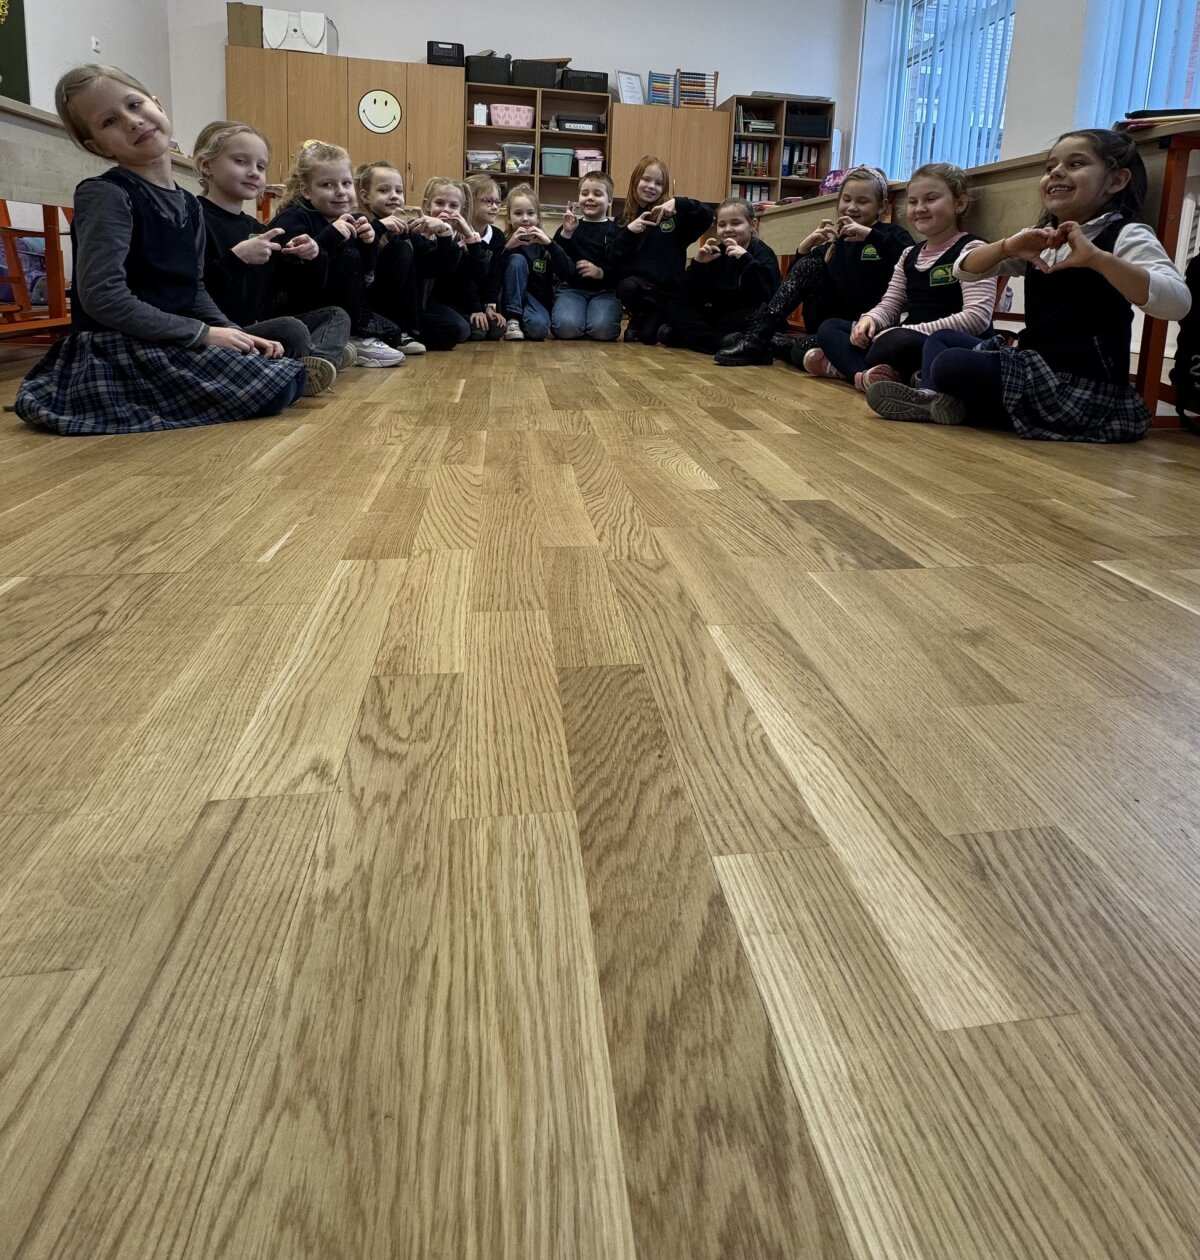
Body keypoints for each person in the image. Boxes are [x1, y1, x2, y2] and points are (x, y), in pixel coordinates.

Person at [15, 64, 306, 435]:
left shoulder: (190, 205)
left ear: (158, 105)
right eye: (109, 121)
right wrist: (204, 334)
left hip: (172, 340)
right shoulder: (106, 194)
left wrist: (232, 333)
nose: (132, 121)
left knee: (284, 359)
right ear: (97, 146)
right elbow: (103, 297)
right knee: (280, 388)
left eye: (135, 105)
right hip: (118, 348)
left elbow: (193, 289)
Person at [865, 129, 1191, 442]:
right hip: (1033, 365)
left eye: (1075, 164)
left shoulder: (1125, 234)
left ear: (1116, 181)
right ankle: (940, 398)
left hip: (1080, 385)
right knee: (942, 340)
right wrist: (1007, 247)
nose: (1057, 173)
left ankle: (947, 398)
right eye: (1050, 167)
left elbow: (1178, 302)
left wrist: (1098, 260)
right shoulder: (1045, 238)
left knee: (952, 364)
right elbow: (964, 270)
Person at [194, 119, 349, 392]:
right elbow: (192, 291)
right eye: (241, 161)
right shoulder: (194, 218)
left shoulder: (257, 228)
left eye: (261, 166)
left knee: (335, 315)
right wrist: (237, 259)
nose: (254, 172)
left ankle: (314, 361)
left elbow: (294, 294)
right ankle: (313, 361)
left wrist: (312, 256)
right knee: (291, 330)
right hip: (217, 333)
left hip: (252, 327)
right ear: (207, 166)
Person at [812, 163, 995, 390]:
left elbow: (977, 318)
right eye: (913, 201)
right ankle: (866, 376)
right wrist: (870, 320)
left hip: (946, 343)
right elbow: (890, 304)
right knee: (831, 328)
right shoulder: (909, 254)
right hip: (906, 340)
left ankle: (850, 367)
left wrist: (907, 331)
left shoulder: (973, 249)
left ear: (960, 203)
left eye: (931, 199)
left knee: (893, 341)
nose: (920, 208)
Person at [715, 166, 912, 367]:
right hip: (827, 326)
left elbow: (909, 259)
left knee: (803, 348)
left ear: (881, 206)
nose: (852, 207)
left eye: (862, 202)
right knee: (809, 265)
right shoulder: (835, 242)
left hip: (864, 327)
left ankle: (764, 342)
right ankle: (756, 338)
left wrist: (871, 235)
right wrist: (805, 248)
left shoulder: (891, 235)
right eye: (846, 200)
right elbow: (793, 284)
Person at [266, 141, 405, 367]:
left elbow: (365, 276)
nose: (340, 191)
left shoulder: (346, 218)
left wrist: (369, 242)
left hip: (332, 305)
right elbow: (294, 278)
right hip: (294, 307)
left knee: (392, 333)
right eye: (327, 185)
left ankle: (347, 339)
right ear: (306, 190)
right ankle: (353, 336)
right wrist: (330, 236)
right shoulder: (292, 220)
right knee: (346, 252)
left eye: (346, 183)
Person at [608, 155, 713, 344]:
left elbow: (707, 215)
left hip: (668, 291)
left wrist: (679, 202)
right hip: (638, 289)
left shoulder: (675, 218)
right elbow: (612, 258)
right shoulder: (622, 220)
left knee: (648, 338)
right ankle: (638, 315)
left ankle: (654, 317)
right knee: (626, 288)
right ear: (635, 181)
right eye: (646, 179)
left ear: (664, 188)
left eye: (658, 183)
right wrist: (629, 232)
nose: (651, 186)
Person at [659, 198, 780, 353]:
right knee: (673, 306)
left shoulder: (762, 253)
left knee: (758, 315)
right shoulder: (716, 252)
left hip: (743, 314)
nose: (728, 229)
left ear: (752, 225)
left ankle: (690, 337)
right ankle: (721, 341)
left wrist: (746, 260)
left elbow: (765, 297)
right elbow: (685, 294)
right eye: (722, 225)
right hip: (717, 316)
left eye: (736, 223)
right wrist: (698, 264)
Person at [353, 160, 427, 354]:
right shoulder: (360, 222)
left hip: (400, 306)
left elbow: (433, 267)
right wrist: (379, 228)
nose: (394, 195)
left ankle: (406, 330)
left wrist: (444, 235)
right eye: (384, 190)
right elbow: (362, 269)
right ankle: (398, 331)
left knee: (450, 332)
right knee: (400, 249)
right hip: (367, 305)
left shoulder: (404, 227)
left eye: (399, 191)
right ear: (365, 196)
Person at [550, 172, 622, 342]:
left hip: (605, 292)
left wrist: (601, 273)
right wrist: (566, 234)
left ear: (610, 200)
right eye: (584, 193)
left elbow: (622, 266)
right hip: (572, 289)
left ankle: (589, 321)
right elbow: (556, 261)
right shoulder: (570, 226)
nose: (590, 198)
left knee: (603, 331)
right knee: (566, 329)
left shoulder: (616, 230)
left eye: (597, 194)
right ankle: (581, 321)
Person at [416, 176, 485, 351]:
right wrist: (441, 235)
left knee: (484, 328)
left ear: (462, 210)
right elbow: (433, 270)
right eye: (439, 203)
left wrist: (469, 236)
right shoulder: (419, 234)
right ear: (427, 205)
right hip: (424, 302)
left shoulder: (461, 238)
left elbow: (477, 274)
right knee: (461, 331)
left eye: (453, 206)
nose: (446, 210)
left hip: (452, 302)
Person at [498, 184, 572, 341]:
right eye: (518, 213)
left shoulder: (545, 245)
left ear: (538, 217)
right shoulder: (502, 241)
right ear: (509, 218)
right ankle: (513, 319)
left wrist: (550, 245)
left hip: (535, 300)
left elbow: (567, 272)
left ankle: (521, 321)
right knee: (517, 260)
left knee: (538, 330)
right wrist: (507, 249)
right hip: (508, 300)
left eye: (530, 213)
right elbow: (492, 274)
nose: (525, 218)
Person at [463, 172, 508, 340]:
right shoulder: (460, 234)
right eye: (488, 201)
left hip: (482, 300)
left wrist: (490, 306)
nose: (495, 207)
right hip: (460, 299)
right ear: (468, 203)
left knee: (497, 329)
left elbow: (495, 274)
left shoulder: (497, 236)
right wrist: (475, 309)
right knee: (477, 331)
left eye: (497, 202)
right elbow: (466, 278)